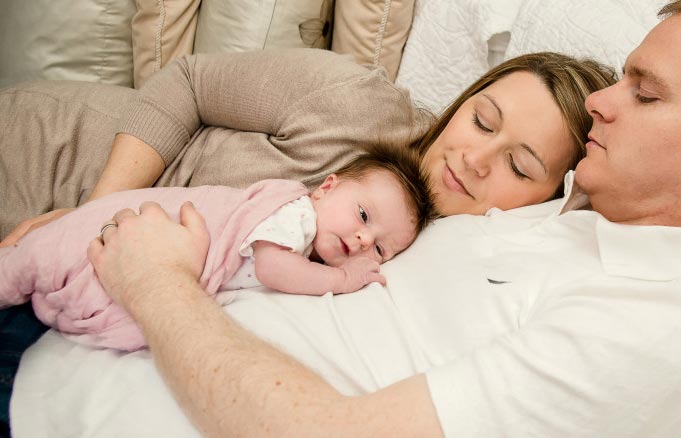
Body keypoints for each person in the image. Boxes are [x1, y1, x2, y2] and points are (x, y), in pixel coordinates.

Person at [13, 0, 681, 437]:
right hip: (76, 322)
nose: (603, 106)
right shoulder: (569, 214)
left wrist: (157, 283)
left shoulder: (650, 329)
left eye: (644, 92)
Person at [0, 50, 616, 428]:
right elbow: (186, 82)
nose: (476, 157)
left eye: (519, 166)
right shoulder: (357, 103)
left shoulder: (431, 257)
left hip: (87, 290)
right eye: (482, 119)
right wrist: (97, 208)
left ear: (546, 202)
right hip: (50, 163)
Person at [0, 146, 433, 351]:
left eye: (379, 250)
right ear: (326, 188)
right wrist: (341, 278)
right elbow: (269, 267)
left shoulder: (307, 240)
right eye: (362, 216)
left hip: (139, 252)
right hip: (124, 227)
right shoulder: (293, 213)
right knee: (32, 262)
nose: (362, 240)